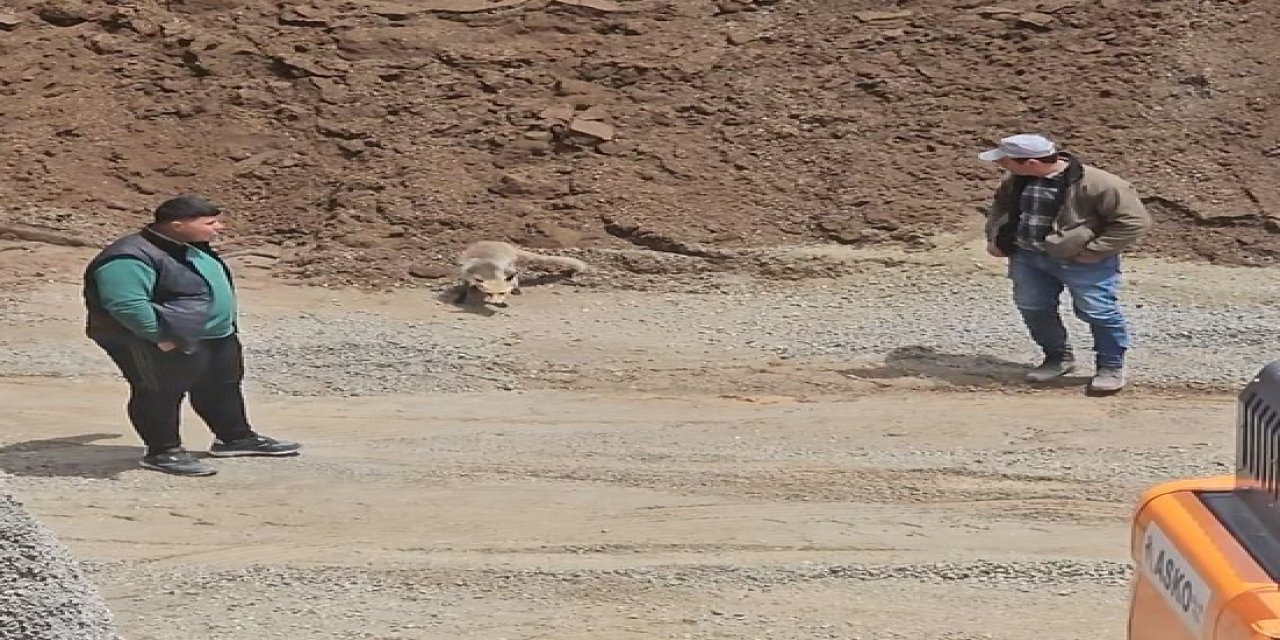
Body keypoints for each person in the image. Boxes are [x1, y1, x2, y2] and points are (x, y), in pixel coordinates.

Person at [82, 195, 301, 476]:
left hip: (211, 336)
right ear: (177, 225)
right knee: (159, 392)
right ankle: (163, 451)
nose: (219, 228)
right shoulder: (128, 257)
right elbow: (127, 305)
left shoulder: (189, 246)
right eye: (210, 223)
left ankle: (234, 438)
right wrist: (159, 336)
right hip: (157, 338)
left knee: (222, 385)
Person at [980, 134, 1153, 393]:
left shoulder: (1101, 184)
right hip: (1027, 258)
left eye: (1005, 160)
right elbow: (1000, 207)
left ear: (1031, 163)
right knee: (1033, 307)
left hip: (1082, 262)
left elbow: (1134, 222)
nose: (1000, 164)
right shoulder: (1016, 179)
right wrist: (996, 237)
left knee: (1098, 312)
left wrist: (1093, 252)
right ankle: (1057, 358)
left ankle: (1110, 367)